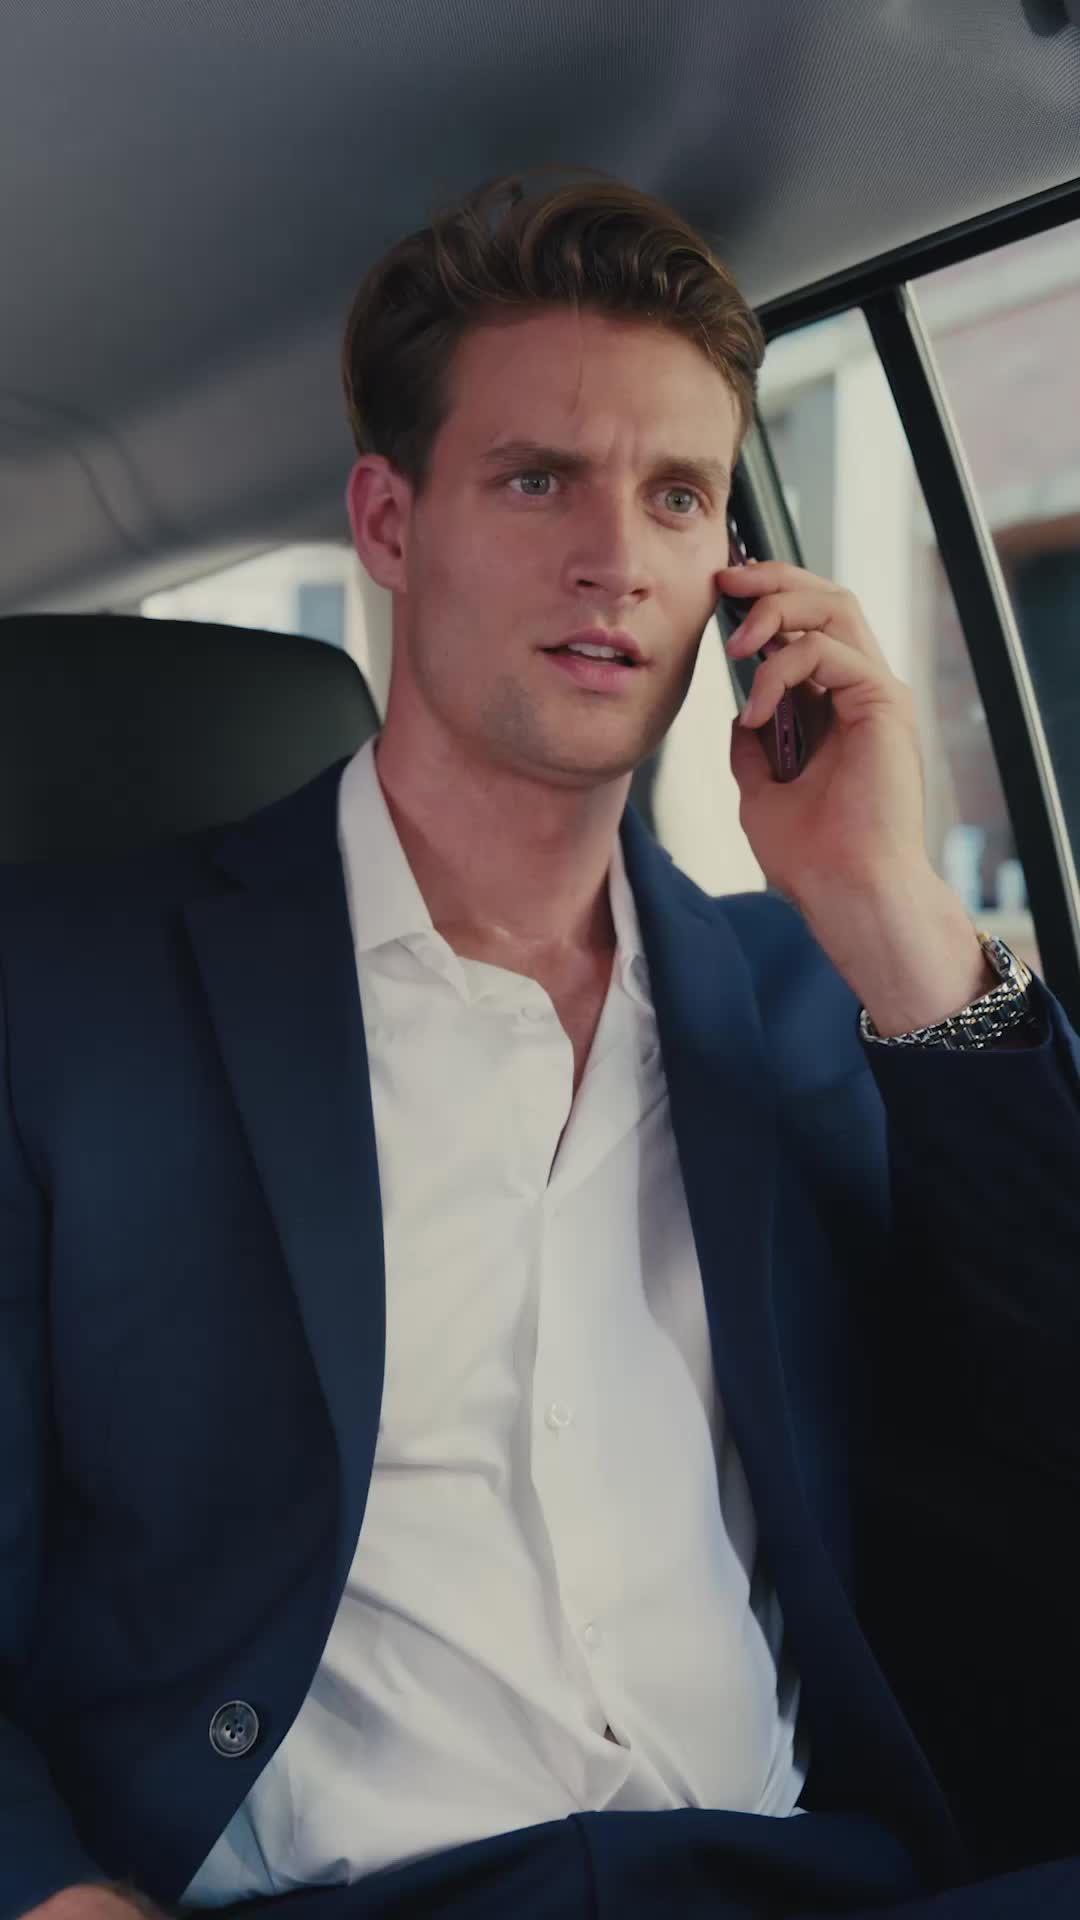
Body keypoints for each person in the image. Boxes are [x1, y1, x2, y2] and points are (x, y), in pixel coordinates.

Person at [3, 168, 1080, 1920]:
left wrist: (895, 913)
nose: (617, 558)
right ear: (390, 519)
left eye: (678, 496)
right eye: (536, 479)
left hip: (802, 1882)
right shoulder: (67, 993)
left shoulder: (803, 997)